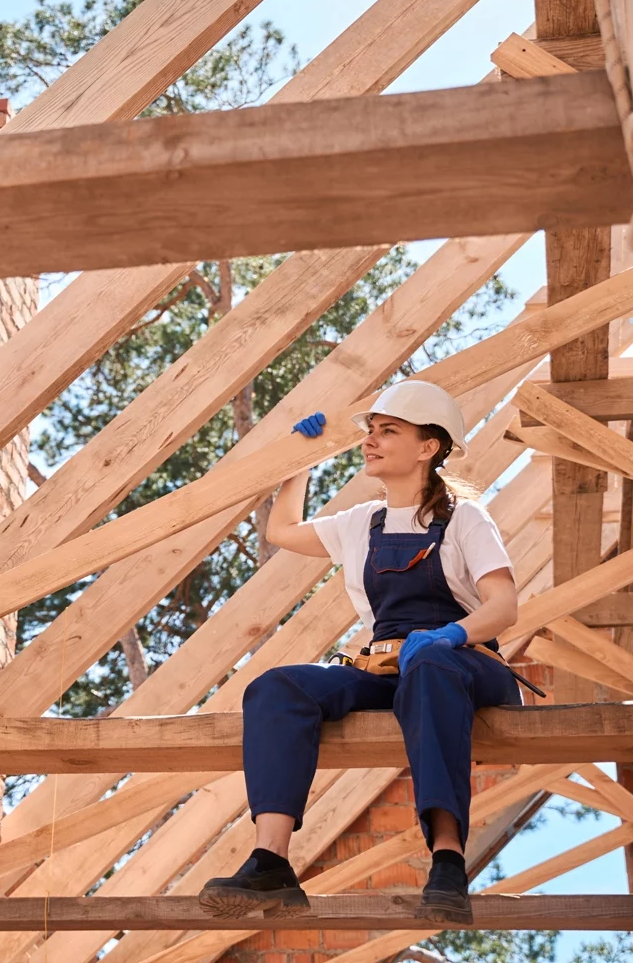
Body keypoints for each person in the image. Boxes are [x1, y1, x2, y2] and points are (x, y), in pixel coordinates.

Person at [197, 380, 522, 926]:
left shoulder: (466, 519)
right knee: (278, 687)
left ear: (428, 447)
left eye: (388, 431)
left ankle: (447, 862)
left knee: (430, 665)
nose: (371, 440)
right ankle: (271, 863)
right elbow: (281, 531)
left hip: (464, 665)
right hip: (388, 667)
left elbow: (504, 606)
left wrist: (449, 636)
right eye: (370, 430)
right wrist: (300, 463)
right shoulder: (359, 524)